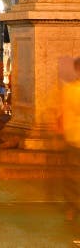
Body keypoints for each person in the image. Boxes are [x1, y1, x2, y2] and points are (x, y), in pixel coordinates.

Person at [62, 58, 80, 223]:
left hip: (73, 138)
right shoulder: (72, 90)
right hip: (75, 139)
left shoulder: (70, 89)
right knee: (74, 175)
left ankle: (73, 207)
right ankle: (73, 206)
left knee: (74, 176)